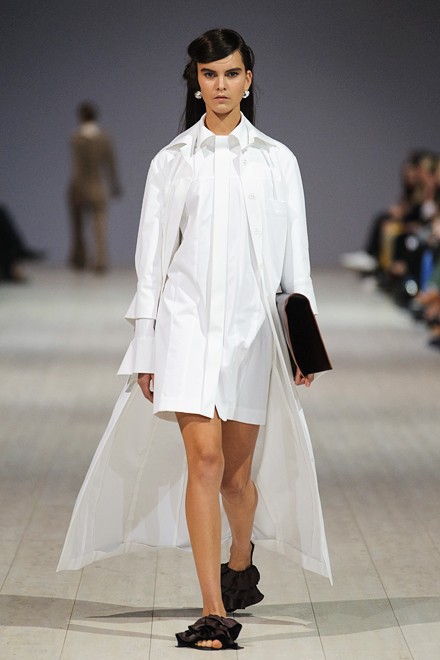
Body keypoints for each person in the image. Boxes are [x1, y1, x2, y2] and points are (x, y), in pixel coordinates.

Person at [57, 29, 331, 652]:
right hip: (185, 327)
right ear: (197, 81)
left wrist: (305, 344)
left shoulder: (277, 161)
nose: (221, 85)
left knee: (236, 478)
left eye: (231, 73)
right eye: (210, 75)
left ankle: (241, 560)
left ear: (248, 80)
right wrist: (147, 346)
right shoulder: (171, 162)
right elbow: (151, 264)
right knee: (203, 463)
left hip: (252, 332)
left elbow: (298, 263)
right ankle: (214, 610)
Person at [67, 101, 121, 273]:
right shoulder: (104, 138)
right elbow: (111, 164)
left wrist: (76, 188)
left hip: (80, 186)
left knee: (78, 226)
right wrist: (114, 184)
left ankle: (80, 259)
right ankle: (100, 260)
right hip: (98, 187)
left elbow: (77, 166)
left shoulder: (76, 138)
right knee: (99, 226)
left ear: (81, 116)